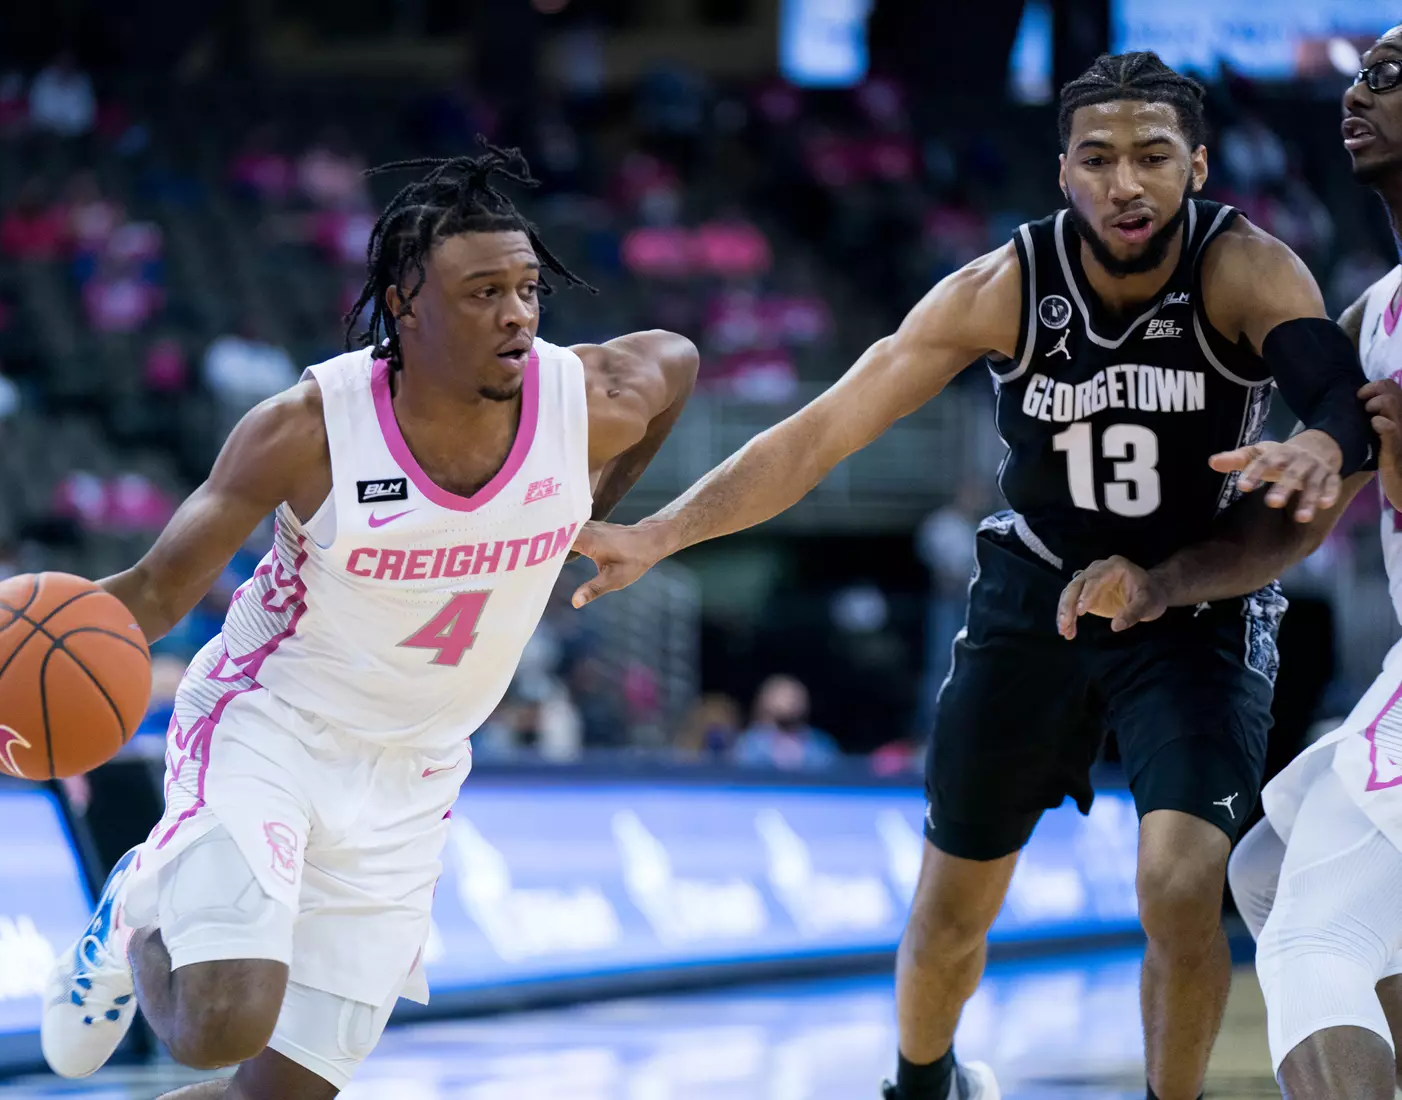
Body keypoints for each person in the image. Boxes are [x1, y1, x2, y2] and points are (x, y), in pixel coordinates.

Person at [571, 53, 1377, 1100]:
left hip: (1195, 603)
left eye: (1152, 156)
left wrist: (1319, 442)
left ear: (1198, 166)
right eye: (1098, 158)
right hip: (1035, 595)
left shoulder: (1247, 269)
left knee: (1181, 884)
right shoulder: (1004, 286)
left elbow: (1342, 397)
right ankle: (921, 1084)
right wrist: (661, 533)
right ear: (1062, 172)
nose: (1125, 182)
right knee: (953, 904)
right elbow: (821, 433)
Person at [0, 143, 698, 1100]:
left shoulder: (588, 401)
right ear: (406, 305)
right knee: (219, 1028)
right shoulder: (308, 429)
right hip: (274, 728)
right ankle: (135, 910)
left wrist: (582, 513)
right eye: (483, 293)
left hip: (417, 769)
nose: (518, 314)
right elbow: (158, 591)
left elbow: (677, 363)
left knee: (279, 1096)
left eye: (528, 289)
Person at [1225, 27, 1402, 1099]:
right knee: (1266, 870)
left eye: (1391, 75)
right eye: (1359, 72)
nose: (1358, 91)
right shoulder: (1376, 309)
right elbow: (1321, 466)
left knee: (1312, 938)